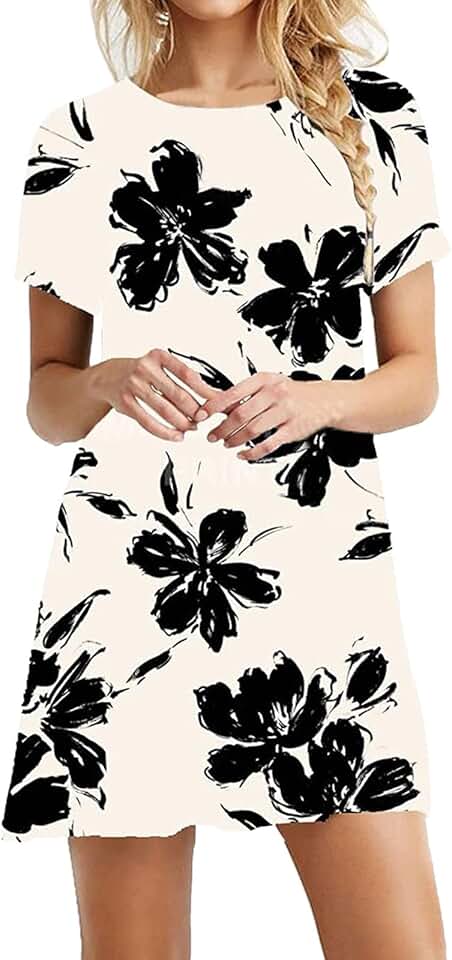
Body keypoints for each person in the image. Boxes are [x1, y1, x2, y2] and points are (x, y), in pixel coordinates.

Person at [1, 0, 449, 957]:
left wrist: (320, 402)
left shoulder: (372, 114)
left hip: (321, 583)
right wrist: (106, 380)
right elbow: (46, 402)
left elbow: (417, 379)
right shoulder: (77, 134)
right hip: (128, 584)